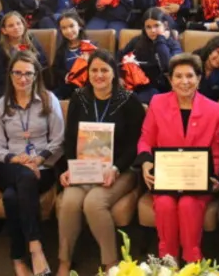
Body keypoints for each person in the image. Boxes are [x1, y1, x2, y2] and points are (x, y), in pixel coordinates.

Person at [56, 50, 146, 276]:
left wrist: (116, 168)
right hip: (84, 168)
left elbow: (137, 143)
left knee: (94, 202)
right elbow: (70, 138)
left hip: (120, 169)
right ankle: (64, 261)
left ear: (114, 73)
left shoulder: (129, 101)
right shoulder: (79, 97)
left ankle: (110, 263)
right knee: (68, 202)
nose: (99, 75)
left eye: (104, 70)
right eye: (94, 70)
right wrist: (69, 167)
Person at [135, 54, 219, 263]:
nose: (184, 81)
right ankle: (167, 260)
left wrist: (214, 177)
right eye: (178, 76)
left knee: (187, 204)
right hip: (165, 178)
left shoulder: (215, 110)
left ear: (199, 79)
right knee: (165, 204)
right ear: (170, 80)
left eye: (190, 76)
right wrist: (147, 162)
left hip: (197, 180)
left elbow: (217, 150)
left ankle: (192, 258)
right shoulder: (157, 103)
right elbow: (145, 139)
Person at [0, 52, 65, 276]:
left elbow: (59, 140)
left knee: (12, 198)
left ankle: (17, 257)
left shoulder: (48, 100)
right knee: (23, 174)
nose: (23, 79)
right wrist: (18, 159)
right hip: (8, 167)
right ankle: (36, 246)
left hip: (42, 168)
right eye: (18, 73)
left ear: (36, 76)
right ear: (10, 74)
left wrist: (40, 158)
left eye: (28, 74)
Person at [117, 8, 183, 103]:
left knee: (142, 100)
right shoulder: (137, 41)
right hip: (135, 84)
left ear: (165, 25)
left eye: (156, 26)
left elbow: (167, 67)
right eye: (148, 27)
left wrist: (160, 41)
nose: (152, 30)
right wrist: (119, 76)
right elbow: (119, 56)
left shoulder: (173, 44)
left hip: (160, 87)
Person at [0, 12, 47, 98]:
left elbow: (43, 63)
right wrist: (14, 82)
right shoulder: (0, 47)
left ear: (24, 25)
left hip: (30, 81)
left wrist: (29, 78)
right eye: (11, 26)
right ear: (4, 30)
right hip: (5, 83)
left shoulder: (32, 41)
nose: (16, 28)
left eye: (18, 24)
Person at [51, 10, 90, 100]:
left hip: (86, 86)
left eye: (72, 26)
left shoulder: (90, 46)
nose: (68, 31)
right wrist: (66, 75)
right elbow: (55, 68)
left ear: (79, 26)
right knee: (49, 98)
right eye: (64, 28)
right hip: (67, 86)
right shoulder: (61, 50)